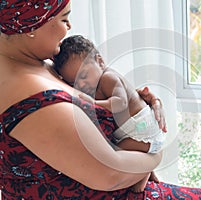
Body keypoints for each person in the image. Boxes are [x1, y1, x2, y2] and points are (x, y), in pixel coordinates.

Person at [0, 0, 201, 199]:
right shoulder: (32, 99)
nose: (69, 27)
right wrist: (156, 153)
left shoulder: (40, 64)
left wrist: (134, 100)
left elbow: (87, 95)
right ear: (32, 24)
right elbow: (110, 174)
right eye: (64, 18)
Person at [53, 35, 167, 192]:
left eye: (84, 76)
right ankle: (145, 176)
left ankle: (143, 177)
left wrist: (92, 103)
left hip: (140, 128)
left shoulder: (108, 78)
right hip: (134, 130)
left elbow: (121, 103)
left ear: (100, 62)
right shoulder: (96, 81)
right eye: (74, 83)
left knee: (114, 159)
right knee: (125, 163)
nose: (81, 84)